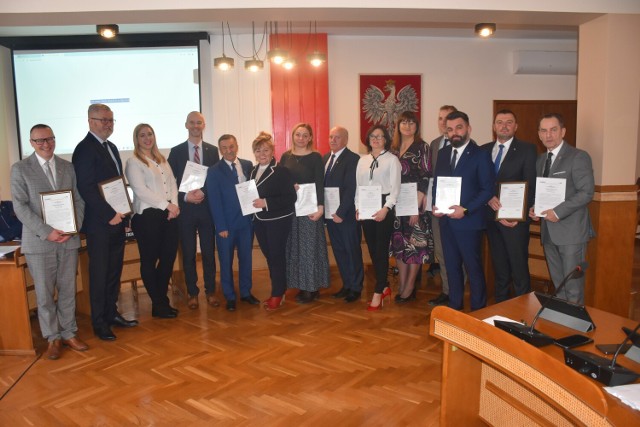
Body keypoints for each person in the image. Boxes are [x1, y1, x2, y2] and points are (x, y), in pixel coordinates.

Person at [11, 124, 87, 359]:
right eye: (40, 141)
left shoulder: (67, 167)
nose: (46, 144)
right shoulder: (21, 169)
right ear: (31, 143)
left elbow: (78, 201)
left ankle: (69, 333)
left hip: (68, 240)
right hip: (39, 242)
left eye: (50, 139)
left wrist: (74, 228)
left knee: (67, 290)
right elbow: (20, 207)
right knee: (44, 294)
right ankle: (52, 337)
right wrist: (47, 232)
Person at [73, 104, 138, 341]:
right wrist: (109, 214)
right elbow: (86, 188)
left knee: (113, 271)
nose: (107, 124)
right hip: (100, 223)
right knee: (100, 274)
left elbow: (117, 185)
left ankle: (112, 314)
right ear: (90, 121)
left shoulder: (110, 147)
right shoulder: (84, 149)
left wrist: (125, 215)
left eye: (111, 120)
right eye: (103, 120)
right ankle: (99, 322)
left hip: (117, 221)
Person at [529, 113, 595, 304]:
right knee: (558, 285)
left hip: (571, 233)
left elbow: (586, 192)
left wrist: (558, 212)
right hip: (549, 232)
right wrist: (536, 209)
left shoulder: (578, 157)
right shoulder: (540, 160)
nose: (548, 135)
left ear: (563, 131)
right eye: (544, 130)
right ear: (539, 135)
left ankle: (576, 329)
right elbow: (544, 193)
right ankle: (561, 325)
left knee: (573, 287)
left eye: (553, 129)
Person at [432, 111, 495, 311]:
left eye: (459, 128)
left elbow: (488, 190)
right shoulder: (443, 154)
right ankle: (455, 307)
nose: (454, 133)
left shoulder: (481, 155)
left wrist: (466, 210)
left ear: (468, 128)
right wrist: (436, 205)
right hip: (446, 221)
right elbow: (438, 184)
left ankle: (478, 311)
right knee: (451, 267)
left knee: (473, 268)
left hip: (469, 222)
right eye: (449, 129)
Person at [125, 124, 180, 319]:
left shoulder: (161, 160)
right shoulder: (134, 162)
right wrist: (167, 205)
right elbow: (140, 191)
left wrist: (174, 205)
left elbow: (172, 182)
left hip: (169, 216)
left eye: (150, 134)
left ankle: (160, 303)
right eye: (142, 135)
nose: (147, 138)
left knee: (167, 260)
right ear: (136, 139)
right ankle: (159, 303)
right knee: (149, 261)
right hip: (147, 217)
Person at [482, 110, 537, 302]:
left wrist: (517, 215)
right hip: (491, 218)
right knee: (500, 268)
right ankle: (500, 308)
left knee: (519, 268)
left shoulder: (527, 149)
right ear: (494, 126)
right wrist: (489, 198)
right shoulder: (484, 149)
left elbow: (530, 185)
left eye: (509, 122)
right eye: (499, 122)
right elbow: (479, 183)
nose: (504, 126)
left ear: (516, 126)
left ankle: (524, 313)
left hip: (515, 221)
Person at [168, 111, 220, 310]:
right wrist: (185, 196)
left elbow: (215, 178)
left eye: (199, 123)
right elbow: (171, 182)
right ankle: (192, 293)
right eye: (192, 122)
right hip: (186, 210)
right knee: (188, 253)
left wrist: (202, 193)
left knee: (208, 252)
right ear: (186, 125)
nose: (196, 126)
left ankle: (210, 291)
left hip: (207, 209)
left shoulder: (213, 151)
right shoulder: (176, 151)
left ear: (203, 125)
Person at [205, 134, 259, 311]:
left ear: (237, 146)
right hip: (226, 226)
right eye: (224, 148)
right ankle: (229, 295)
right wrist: (220, 226)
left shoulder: (248, 165)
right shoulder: (213, 171)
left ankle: (245, 292)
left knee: (246, 259)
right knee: (226, 262)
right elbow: (214, 200)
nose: (229, 151)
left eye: (231, 146)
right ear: (220, 150)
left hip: (246, 223)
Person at [280, 123, 330, 304]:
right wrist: (288, 186)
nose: (301, 138)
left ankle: (311, 288)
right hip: (291, 209)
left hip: (310, 209)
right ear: (293, 136)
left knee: (310, 248)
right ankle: (301, 285)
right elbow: (280, 180)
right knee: (295, 247)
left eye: (305, 135)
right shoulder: (286, 156)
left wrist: (321, 208)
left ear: (310, 138)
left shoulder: (316, 157)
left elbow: (319, 183)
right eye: (298, 134)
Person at [389, 111, 434, 303]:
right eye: (404, 123)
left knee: (415, 245)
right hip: (396, 202)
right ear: (398, 126)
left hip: (414, 201)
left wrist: (416, 207)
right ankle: (402, 283)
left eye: (411, 123)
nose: (407, 126)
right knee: (400, 243)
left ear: (417, 126)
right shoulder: (392, 149)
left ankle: (409, 287)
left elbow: (426, 175)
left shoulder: (422, 147)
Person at [249, 132, 297, 311]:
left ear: (272, 151)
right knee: (270, 256)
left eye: (266, 150)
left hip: (277, 220)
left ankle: (277, 293)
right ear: (254, 152)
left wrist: (266, 203)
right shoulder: (253, 171)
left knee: (276, 256)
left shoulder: (281, 171)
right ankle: (279, 289)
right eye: (258, 150)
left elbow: (290, 197)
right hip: (259, 220)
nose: (262, 154)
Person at [356, 125, 401, 311]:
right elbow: (358, 186)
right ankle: (383, 286)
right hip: (366, 204)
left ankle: (377, 292)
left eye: (380, 136)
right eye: (373, 136)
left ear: (386, 140)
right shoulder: (362, 160)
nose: (376, 139)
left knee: (381, 249)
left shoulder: (392, 160)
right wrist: (357, 207)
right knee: (373, 249)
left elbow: (395, 187)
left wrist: (386, 208)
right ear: (368, 139)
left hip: (384, 205)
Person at [325, 126, 365, 303]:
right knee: (339, 251)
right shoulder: (326, 158)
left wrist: (341, 212)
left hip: (346, 216)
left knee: (352, 251)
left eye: (337, 137)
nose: (333, 140)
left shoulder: (353, 159)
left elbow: (351, 189)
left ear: (346, 140)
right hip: (330, 215)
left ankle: (356, 287)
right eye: (331, 137)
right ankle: (346, 285)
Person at [426, 105, 457, 306]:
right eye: (440, 118)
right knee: (441, 251)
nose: (443, 123)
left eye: (447, 118)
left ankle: (457, 289)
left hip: (457, 209)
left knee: (457, 250)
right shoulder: (434, 144)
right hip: (437, 207)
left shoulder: (464, 143)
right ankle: (447, 290)